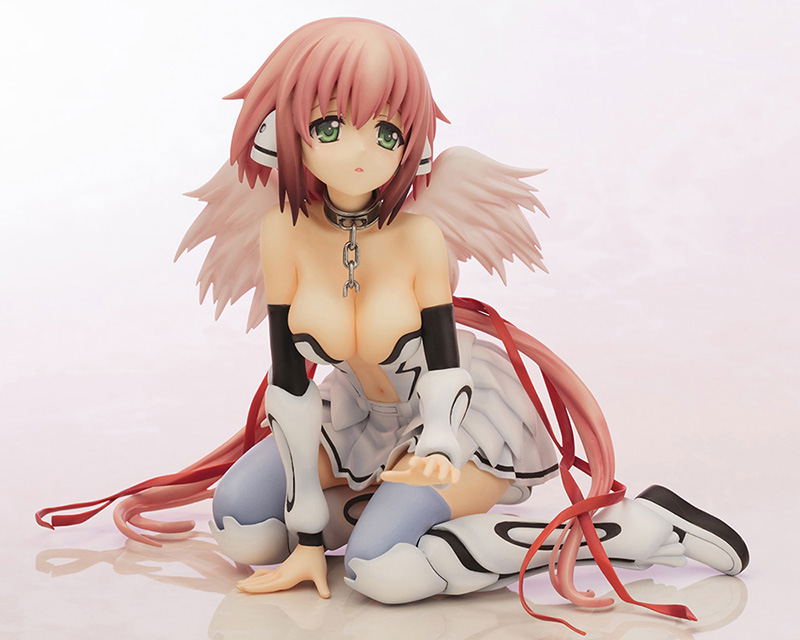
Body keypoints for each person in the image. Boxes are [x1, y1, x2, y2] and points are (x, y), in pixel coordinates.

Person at [36, 18, 748, 635]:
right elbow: (291, 386)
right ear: (279, 131)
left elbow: (444, 363)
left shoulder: (417, 238)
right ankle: (380, 517)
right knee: (245, 529)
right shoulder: (282, 232)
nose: (362, 152)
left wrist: (438, 440)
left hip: (455, 413)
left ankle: (635, 529)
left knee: (385, 572)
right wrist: (307, 541)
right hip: (355, 412)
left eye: (387, 131)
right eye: (329, 126)